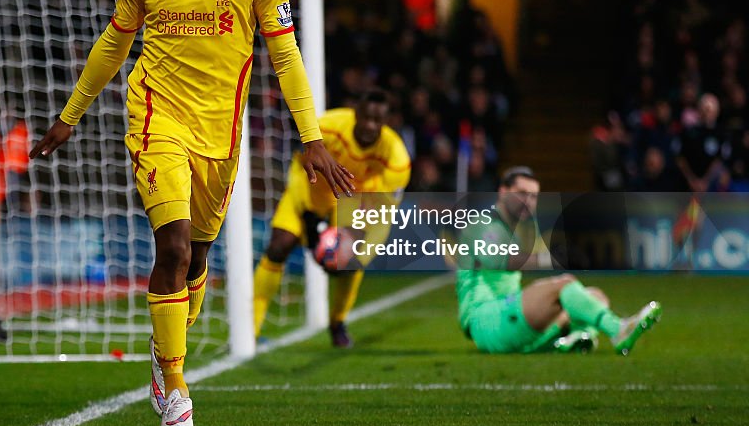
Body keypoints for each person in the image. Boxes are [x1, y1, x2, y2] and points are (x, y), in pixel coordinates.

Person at [28, 0, 354, 426]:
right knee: (173, 248)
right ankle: (175, 385)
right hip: (156, 121)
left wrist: (312, 136)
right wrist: (70, 115)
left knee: (198, 257)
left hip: (219, 135)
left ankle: (164, 348)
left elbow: (286, 56)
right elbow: (113, 45)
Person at [252, 88, 411, 348]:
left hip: (352, 202)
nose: (370, 126)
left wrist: (357, 251)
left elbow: (381, 213)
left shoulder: (396, 159)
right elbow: (300, 162)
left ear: (386, 123)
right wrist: (309, 216)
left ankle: (338, 323)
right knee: (279, 246)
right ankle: (252, 330)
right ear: (356, 113)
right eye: (366, 118)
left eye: (377, 121)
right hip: (309, 188)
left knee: (350, 262)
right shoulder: (329, 127)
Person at [454, 165, 662, 355]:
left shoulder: (509, 231)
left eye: (534, 196)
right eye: (522, 194)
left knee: (594, 297)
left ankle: (575, 338)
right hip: (486, 320)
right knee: (564, 285)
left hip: (510, 320)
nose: (528, 201)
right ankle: (618, 329)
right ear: (503, 192)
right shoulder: (482, 224)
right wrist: (551, 259)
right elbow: (502, 260)